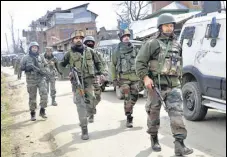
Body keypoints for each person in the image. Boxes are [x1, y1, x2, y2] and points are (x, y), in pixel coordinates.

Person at [135, 13, 193, 156]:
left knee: (177, 115)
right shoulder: (152, 43)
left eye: (171, 26)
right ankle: (154, 138)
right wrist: (145, 78)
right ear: (160, 27)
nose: (169, 28)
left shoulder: (177, 44)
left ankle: (180, 145)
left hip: (173, 86)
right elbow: (139, 63)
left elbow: (180, 64)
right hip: (155, 86)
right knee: (153, 114)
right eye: (167, 26)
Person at [60, 31, 104, 140]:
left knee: (93, 100)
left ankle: (89, 114)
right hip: (77, 82)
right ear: (72, 41)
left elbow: (99, 63)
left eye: (80, 38)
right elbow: (61, 65)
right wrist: (67, 73)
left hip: (89, 80)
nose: (78, 39)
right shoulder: (69, 53)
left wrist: (101, 73)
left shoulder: (90, 51)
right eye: (76, 38)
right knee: (80, 105)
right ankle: (84, 128)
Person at [112, 29, 140, 128]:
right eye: (124, 36)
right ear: (121, 38)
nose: (126, 37)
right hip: (123, 78)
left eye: (128, 35)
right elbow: (113, 65)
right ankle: (129, 117)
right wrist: (114, 79)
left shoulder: (134, 49)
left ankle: (129, 108)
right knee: (127, 96)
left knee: (135, 95)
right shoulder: (117, 50)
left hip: (135, 77)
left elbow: (140, 62)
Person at [20, 41, 49, 121]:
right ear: (30, 48)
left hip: (41, 79)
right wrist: (27, 68)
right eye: (33, 47)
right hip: (31, 80)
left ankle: (42, 111)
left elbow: (46, 65)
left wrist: (45, 71)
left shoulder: (41, 57)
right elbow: (21, 67)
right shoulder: (25, 57)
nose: (34, 49)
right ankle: (32, 113)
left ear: (38, 49)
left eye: (36, 47)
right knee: (32, 97)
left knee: (44, 95)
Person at [83, 36, 107, 123]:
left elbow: (103, 64)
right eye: (87, 43)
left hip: (96, 77)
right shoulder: (82, 55)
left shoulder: (97, 54)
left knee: (98, 97)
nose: (89, 45)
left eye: (91, 43)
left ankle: (91, 109)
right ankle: (91, 114)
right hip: (86, 78)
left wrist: (103, 74)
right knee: (89, 97)